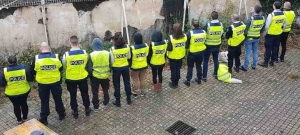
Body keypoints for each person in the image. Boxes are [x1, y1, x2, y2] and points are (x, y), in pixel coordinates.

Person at [31, 42, 66, 125]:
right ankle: (61, 114)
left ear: (40, 49)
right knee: (58, 99)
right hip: (55, 82)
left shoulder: (36, 58)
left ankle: (44, 118)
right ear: (49, 47)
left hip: (43, 84)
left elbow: (33, 71)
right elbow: (61, 68)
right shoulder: (56, 57)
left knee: (44, 101)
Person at [63, 36, 91, 119]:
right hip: (82, 77)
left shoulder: (66, 55)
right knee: (85, 94)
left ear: (70, 43)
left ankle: (75, 112)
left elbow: (65, 66)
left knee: (73, 95)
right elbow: (86, 64)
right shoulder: (84, 53)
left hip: (71, 79)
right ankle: (87, 109)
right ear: (78, 42)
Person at [0, 56, 33, 124]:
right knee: (24, 104)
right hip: (24, 91)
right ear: (16, 61)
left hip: (12, 93)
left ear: (8, 62)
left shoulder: (4, 70)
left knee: (16, 106)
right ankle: (25, 118)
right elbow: (30, 79)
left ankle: (19, 120)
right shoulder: (24, 68)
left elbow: (2, 84)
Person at [258, 1, 287, 67]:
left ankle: (265, 62)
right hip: (278, 34)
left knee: (268, 48)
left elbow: (267, 26)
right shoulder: (283, 15)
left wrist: (264, 34)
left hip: (270, 35)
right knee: (275, 48)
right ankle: (272, 62)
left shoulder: (271, 15)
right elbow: (285, 25)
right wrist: (280, 30)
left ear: (274, 6)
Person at [88, 38, 112, 111]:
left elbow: (89, 68)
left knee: (95, 92)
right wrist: (108, 72)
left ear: (93, 46)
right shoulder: (107, 53)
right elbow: (110, 65)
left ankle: (96, 107)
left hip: (95, 77)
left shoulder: (91, 55)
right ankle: (106, 102)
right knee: (105, 90)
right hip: (105, 76)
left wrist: (90, 77)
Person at [240, 5, 265, 71]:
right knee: (255, 51)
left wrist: (244, 38)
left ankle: (245, 67)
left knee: (248, 52)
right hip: (257, 37)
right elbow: (262, 28)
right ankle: (254, 65)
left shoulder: (251, 19)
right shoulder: (263, 18)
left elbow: (245, 30)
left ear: (254, 10)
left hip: (249, 38)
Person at [110, 32, 132, 107]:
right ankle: (129, 99)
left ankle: (118, 101)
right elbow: (129, 57)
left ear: (115, 40)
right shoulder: (127, 47)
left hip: (116, 69)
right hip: (125, 67)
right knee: (127, 83)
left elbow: (112, 61)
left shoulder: (112, 49)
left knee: (117, 85)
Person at [184, 19, 207, 86]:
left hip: (192, 53)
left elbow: (187, 45)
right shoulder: (203, 32)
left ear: (192, 25)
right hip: (201, 52)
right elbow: (204, 40)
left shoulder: (190, 33)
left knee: (190, 66)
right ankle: (199, 79)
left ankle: (188, 81)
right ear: (198, 25)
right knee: (199, 65)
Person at [203, 11, 224, 82]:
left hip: (208, 46)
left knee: (205, 60)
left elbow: (204, 35)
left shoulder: (208, 25)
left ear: (211, 17)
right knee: (216, 60)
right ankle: (215, 74)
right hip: (217, 45)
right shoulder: (221, 24)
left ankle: (204, 77)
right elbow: (221, 34)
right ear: (217, 16)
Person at [167, 23, 187, 89]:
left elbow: (169, 49)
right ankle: (177, 81)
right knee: (178, 69)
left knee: (173, 70)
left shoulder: (171, 38)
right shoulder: (184, 36)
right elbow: (186, 46)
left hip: (173, 57)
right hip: (181, 56)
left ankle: (174, 84)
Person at [129, 33, 149, 97]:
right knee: (142, 78)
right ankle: (143, 91)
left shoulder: (132, 48)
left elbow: (129, 58)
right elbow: (147, 55)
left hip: (135, 67)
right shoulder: (146, 46)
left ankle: (135, 91)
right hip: (144, 65)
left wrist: (129, 65)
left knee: (135, 79)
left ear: (134, 39)